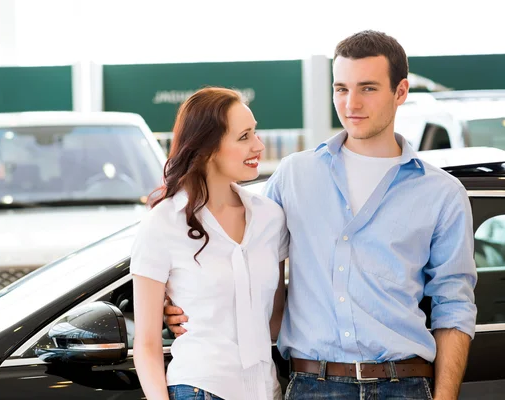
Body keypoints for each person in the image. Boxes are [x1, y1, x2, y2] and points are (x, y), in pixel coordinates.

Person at [165, 31, 477, 400]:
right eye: (341, 88)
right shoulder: (294, 174)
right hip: (312, 385)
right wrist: (182, 302)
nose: (351, 103)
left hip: (404, 384)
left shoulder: (441, 193)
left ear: (401, 91)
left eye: (368, 88)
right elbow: (237, 251)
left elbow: (454, 305)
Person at [131, 86, 289, 400]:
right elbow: (146, 344)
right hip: (200, 388)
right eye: (244, 137)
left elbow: (274, 321)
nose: (258, 145)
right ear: (207, 147)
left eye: (254, 133)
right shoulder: (164, 221)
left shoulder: (271, 218)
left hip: (266, 390)